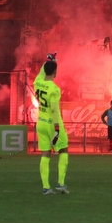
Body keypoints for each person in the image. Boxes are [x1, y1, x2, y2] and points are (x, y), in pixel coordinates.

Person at [34, 53, 69, 194]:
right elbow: (54, 109)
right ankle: (60, 183)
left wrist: (49, 60)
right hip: (52, 124)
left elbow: (42, 71)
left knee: (45, 153)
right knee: (63, 149)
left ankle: (46, 187)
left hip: (40, 123)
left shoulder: (37, 82)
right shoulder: (54, 89)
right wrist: (56, 128)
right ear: (55, 71)